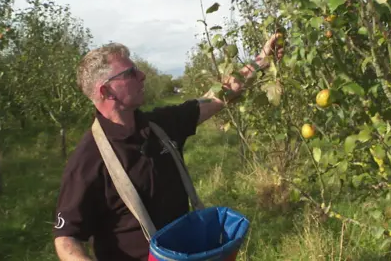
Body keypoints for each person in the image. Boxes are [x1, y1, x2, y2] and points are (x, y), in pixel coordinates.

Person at [52, 33, 284, 261]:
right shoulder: (88, 160)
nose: (142, 76)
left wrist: (261, 60)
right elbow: (66, 239)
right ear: (106, 91)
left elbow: (219, 96)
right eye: (131, 73)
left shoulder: (160, 126)